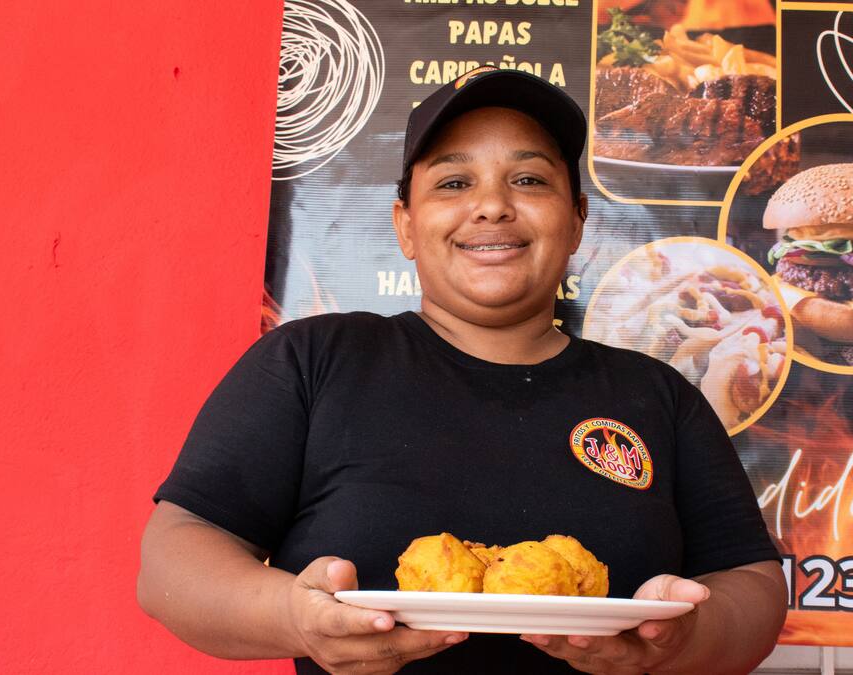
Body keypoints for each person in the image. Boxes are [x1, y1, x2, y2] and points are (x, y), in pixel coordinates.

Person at [137, 67, 787, 674]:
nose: (492, 205)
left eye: (528, 180)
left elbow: (751, 584)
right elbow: (176, 553)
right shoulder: (314, 360)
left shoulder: (658, 395)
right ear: (406, 226)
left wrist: (678, 641)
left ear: (576, 223)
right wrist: (295, 619)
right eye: (453, 183)